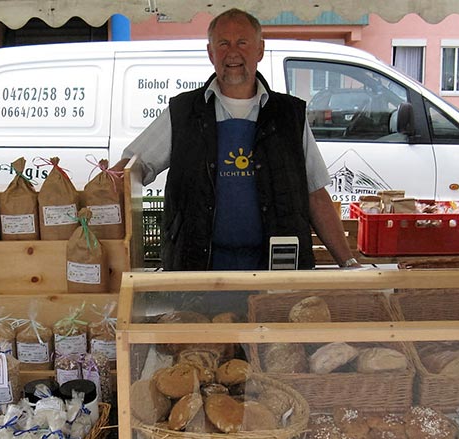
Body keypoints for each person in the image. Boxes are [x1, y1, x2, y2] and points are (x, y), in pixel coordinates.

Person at [121, 8, 359, 271]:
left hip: (277, 273)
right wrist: (104, 196)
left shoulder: (290, 116)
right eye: (223, 43)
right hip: (198, 272)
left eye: (242, 42)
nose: (232, 52)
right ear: (211, 53)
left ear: (259, 50)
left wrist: (348, 263)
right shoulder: (183, 112)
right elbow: (132, 167)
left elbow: (316, 196)